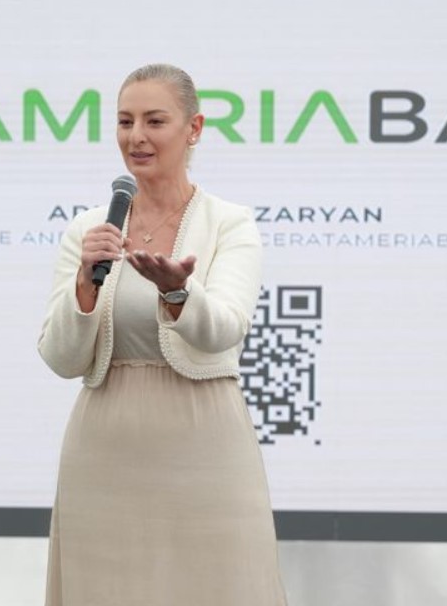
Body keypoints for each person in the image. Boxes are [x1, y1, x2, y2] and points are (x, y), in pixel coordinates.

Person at [38, 63, 288, 605]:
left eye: (154, 121)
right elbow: (61, 358)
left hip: (204, 443)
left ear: (193, 128)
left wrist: (177, 293)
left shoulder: (230, 223)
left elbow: (225, 329)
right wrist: (83, 283)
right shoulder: (89, 229)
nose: (136, 137)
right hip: (103, 449)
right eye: (125, 121)